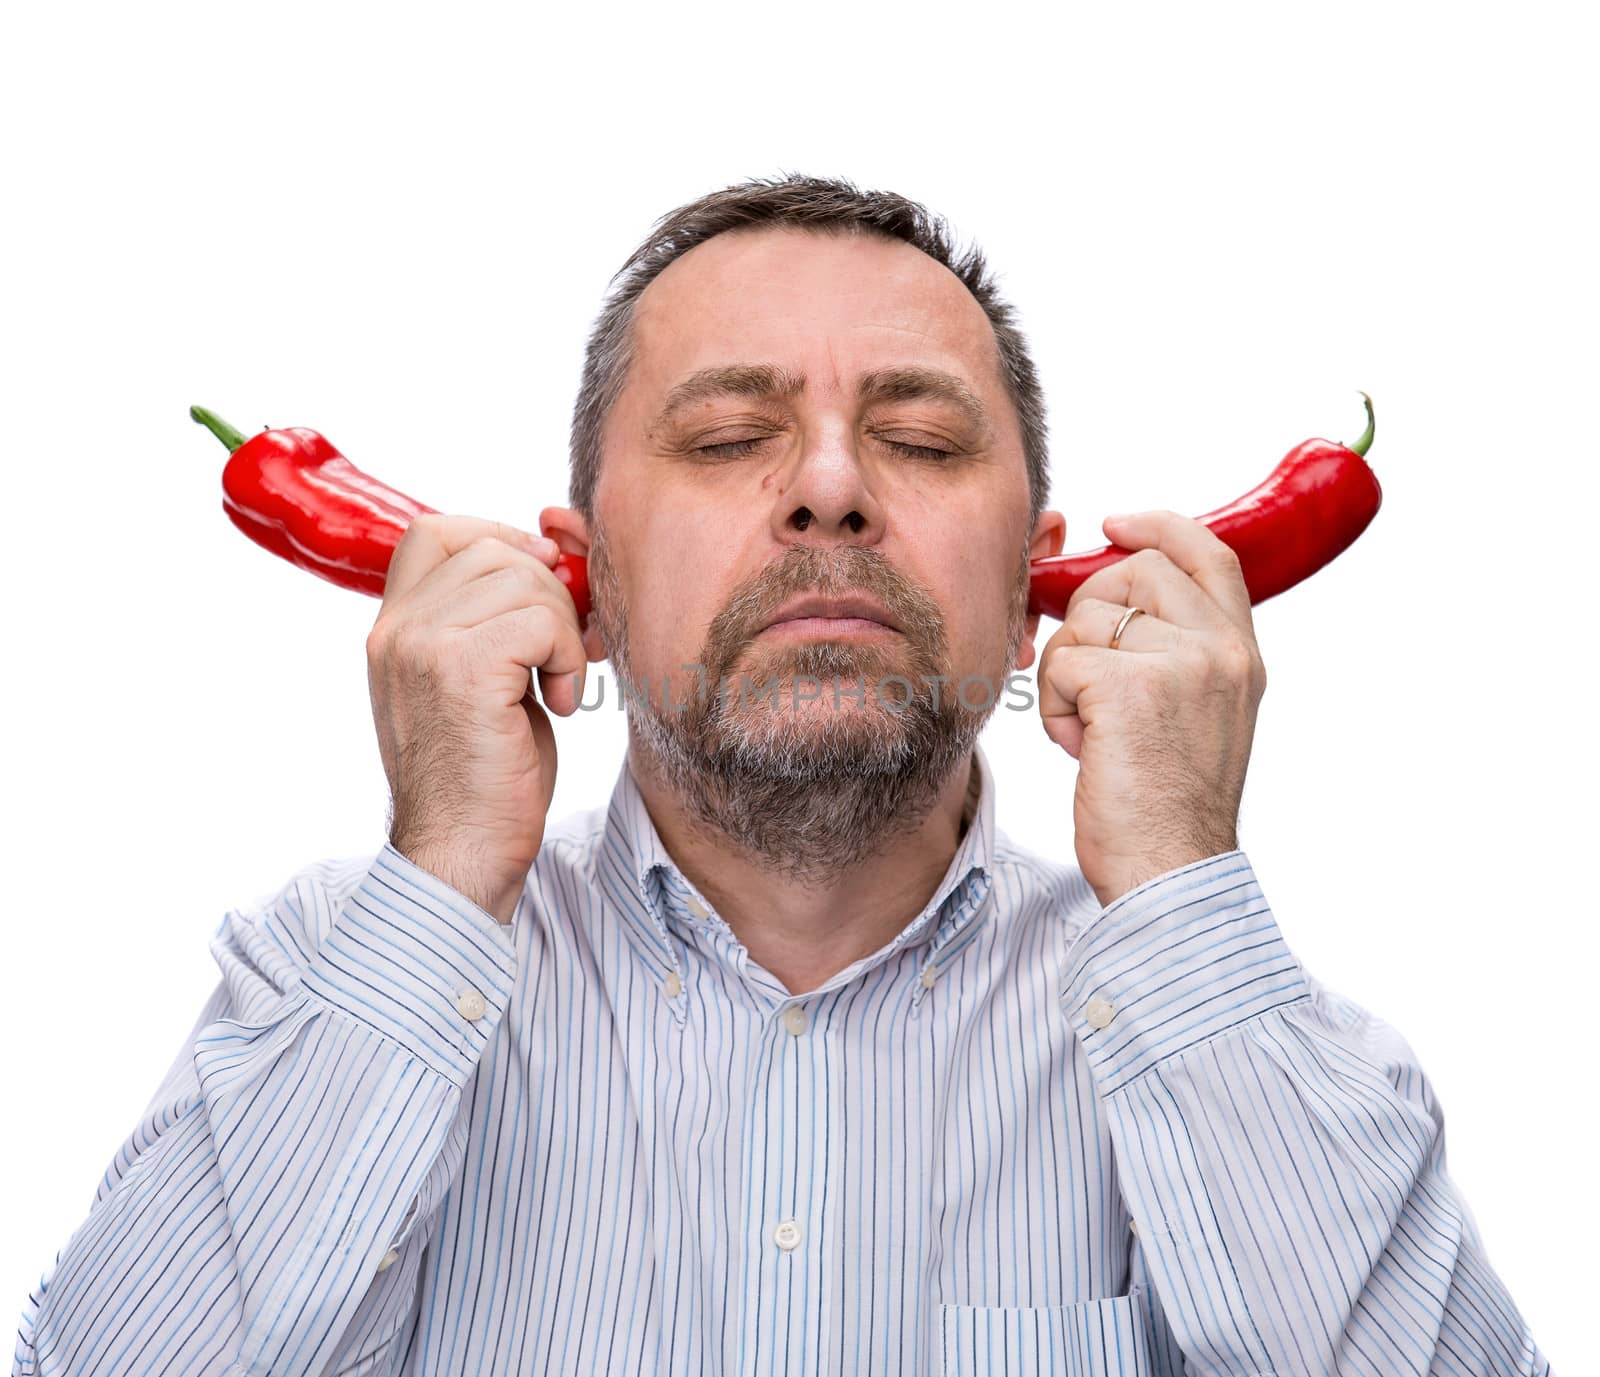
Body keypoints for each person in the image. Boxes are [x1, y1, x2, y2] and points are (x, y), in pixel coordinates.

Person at [13, 175, 1553, 1377]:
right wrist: (441, 869)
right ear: (584, 575)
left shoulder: (1235, 1036)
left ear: (1042, 583)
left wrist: (1177, 879)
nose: (829, 486)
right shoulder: (333, 976)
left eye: (926, 440)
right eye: (732, 431)